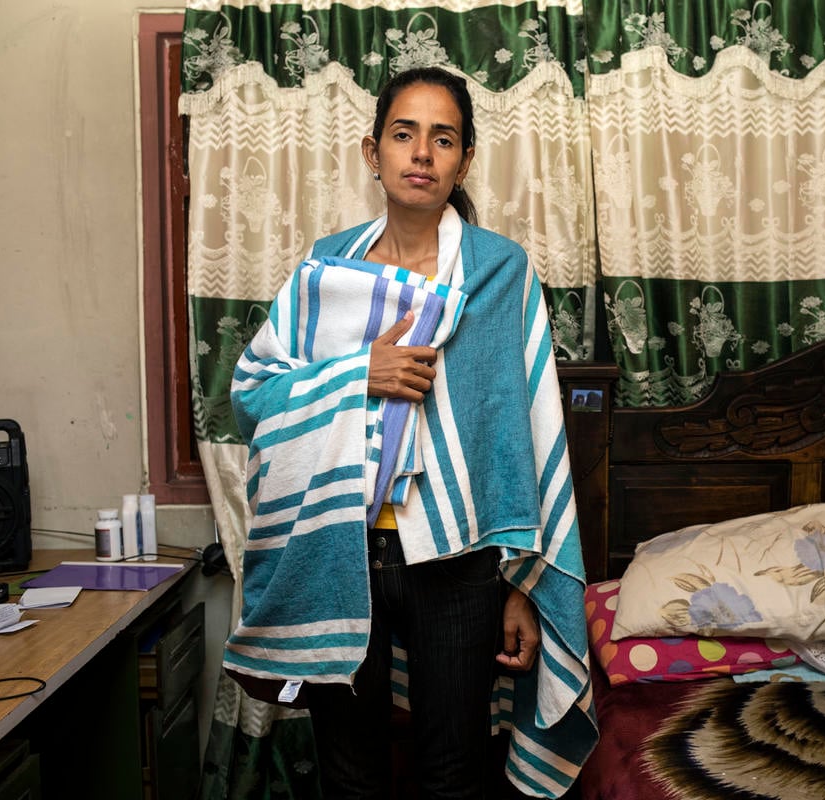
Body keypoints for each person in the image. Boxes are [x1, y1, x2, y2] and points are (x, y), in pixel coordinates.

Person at [224, 67, 597, 799]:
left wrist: (519, 585)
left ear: (463, 160)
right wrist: (357, 374)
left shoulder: (499, 273)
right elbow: (251, 401)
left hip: (456, 560)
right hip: (340, 548)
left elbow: (520, 434)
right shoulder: (325, 272)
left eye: (442, 138)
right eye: (403, 134)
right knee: (350, 769)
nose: (421, 152)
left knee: (452, 769)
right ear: (374, 152)